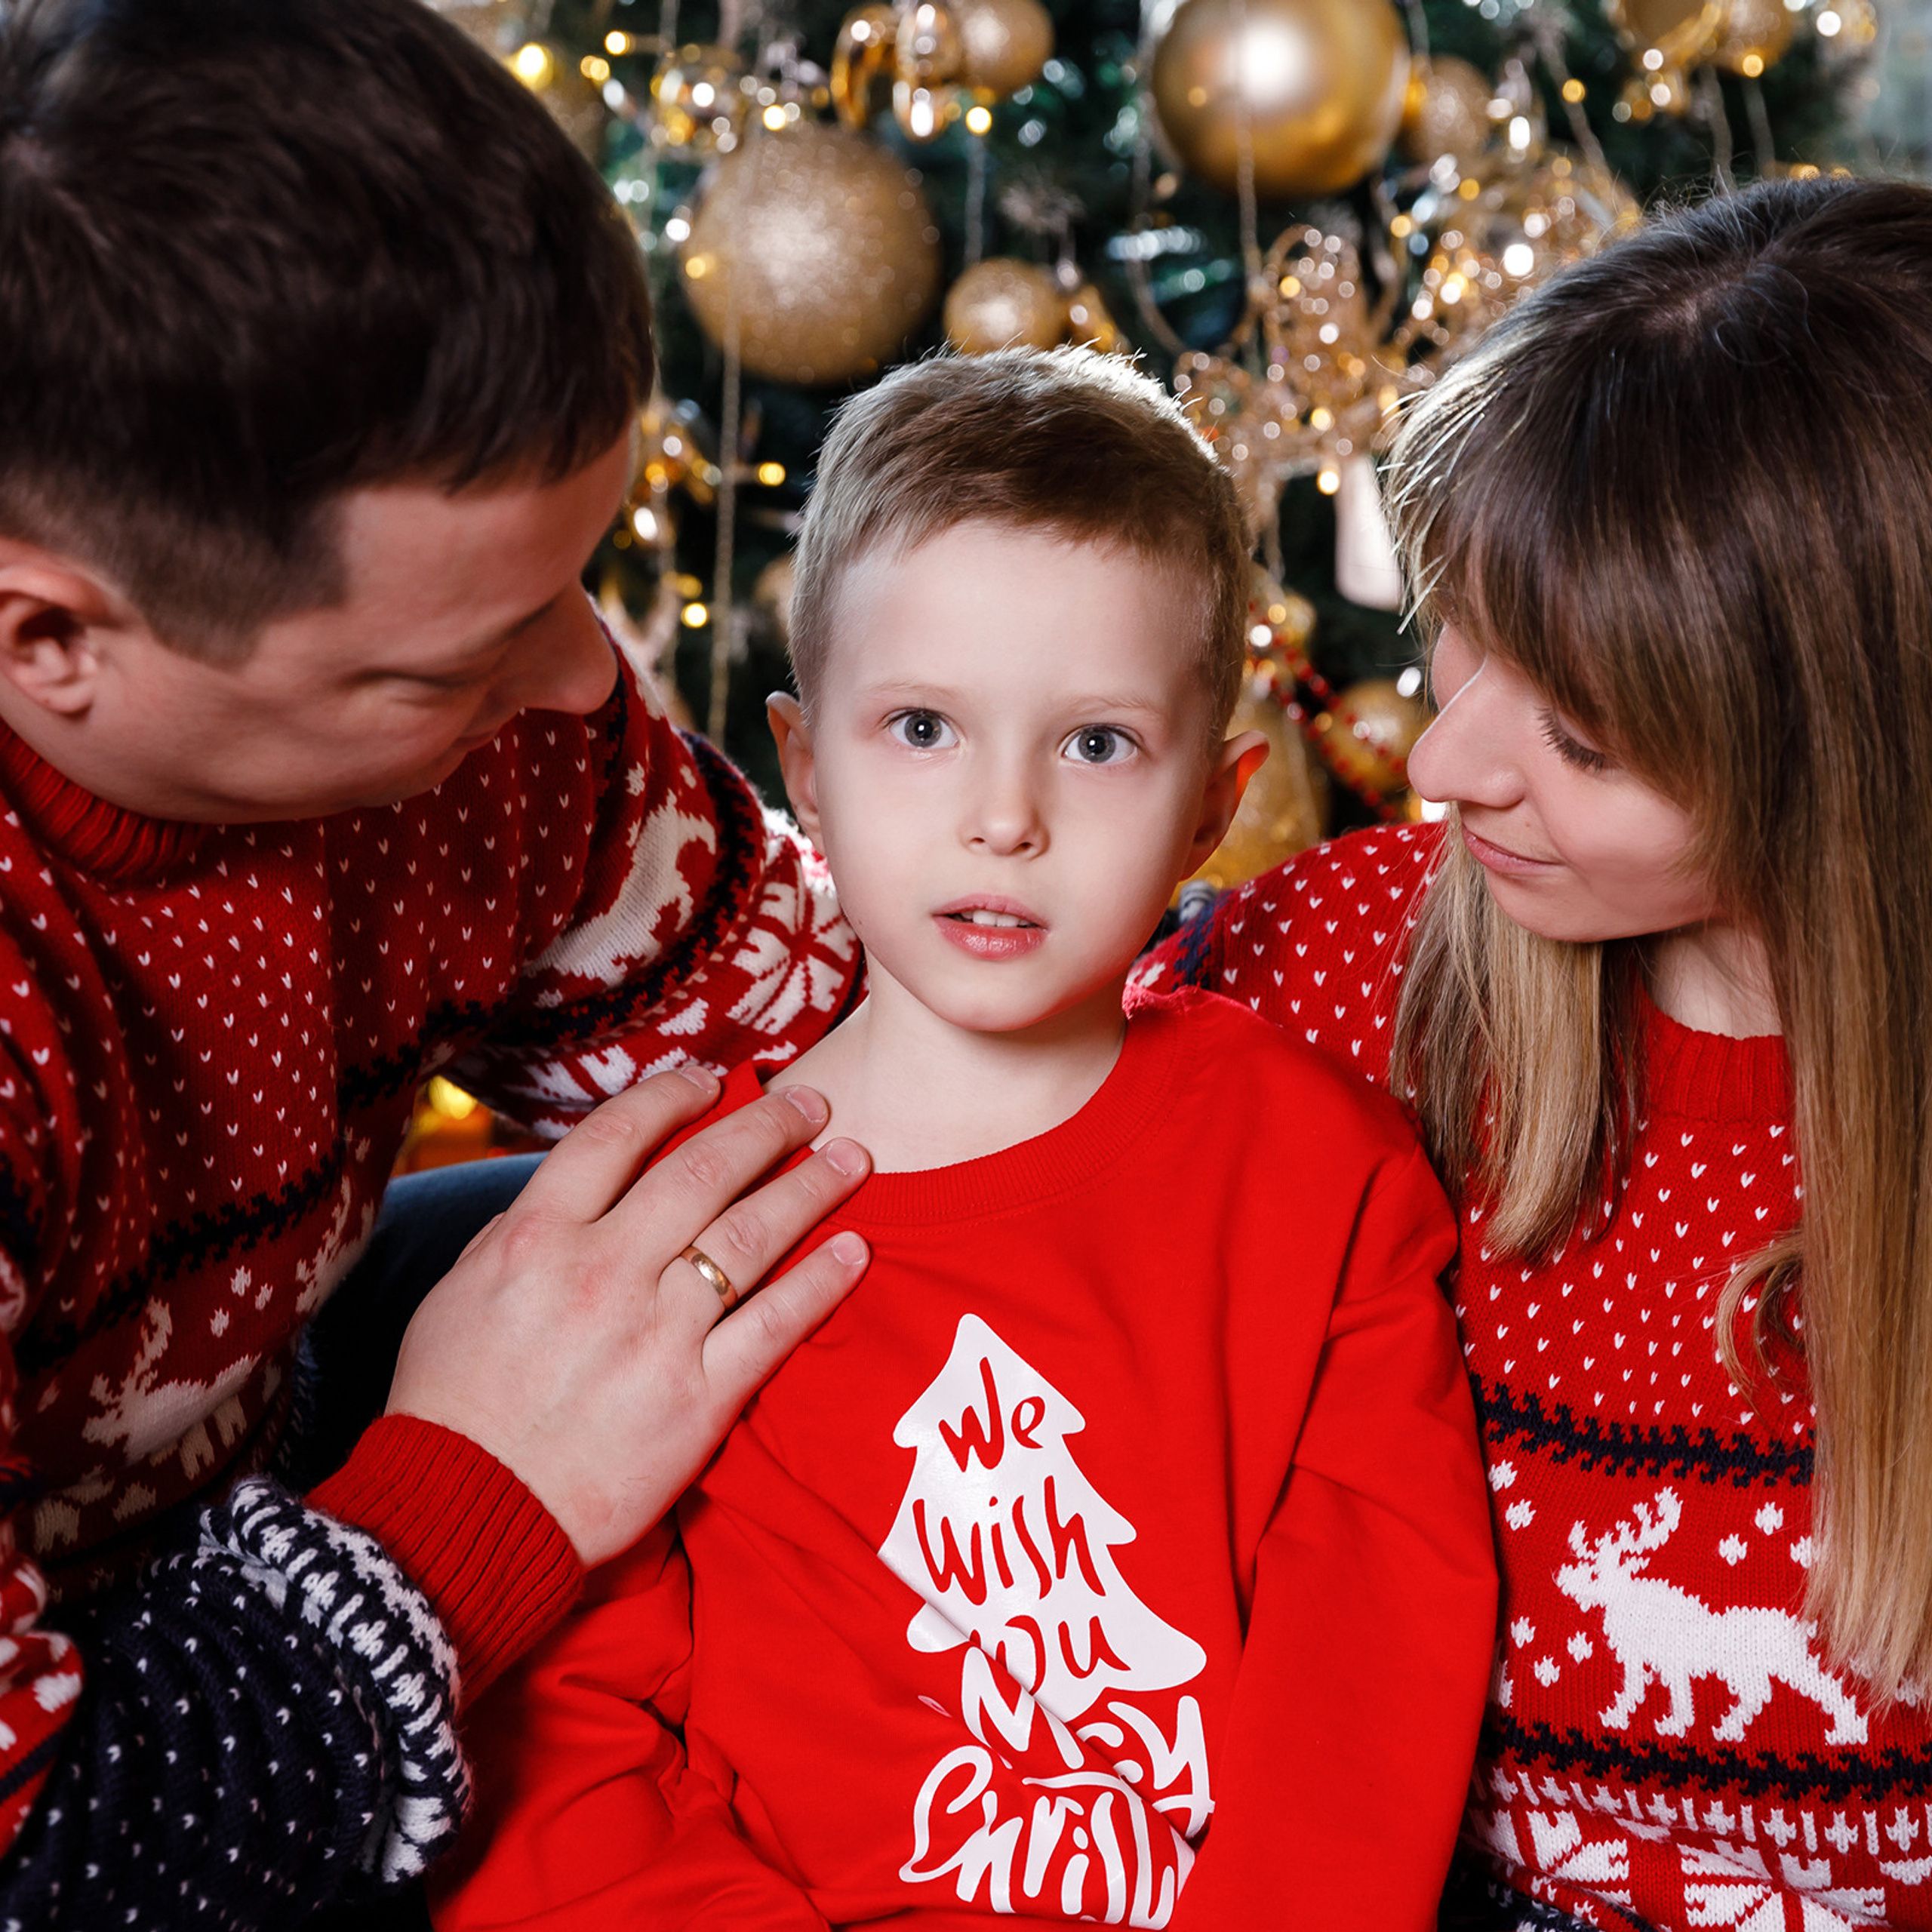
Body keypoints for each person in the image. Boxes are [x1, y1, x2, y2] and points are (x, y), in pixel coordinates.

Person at [429, 348, 1499, 1931]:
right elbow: (564, 1750)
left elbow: (1371, 1657)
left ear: (1213, 806)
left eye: (1092, 745)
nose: (1003, 816)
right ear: (802, 768)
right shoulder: (687, 1221)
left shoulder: (1313, 1163)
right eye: (922, 727)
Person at [0, 1, 877, 1923]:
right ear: (47, 637)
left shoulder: (503, 731)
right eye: (435, 663)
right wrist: (478, 1495)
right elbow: (51, 1870)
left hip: (236, 1455)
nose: (586, 680)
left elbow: (834, 1032)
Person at [1137, 176, 1932, 1929]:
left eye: (1574, 731)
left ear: (1853, 766)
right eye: (1459, 637)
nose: (1439, 762)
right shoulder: (1326, 971)